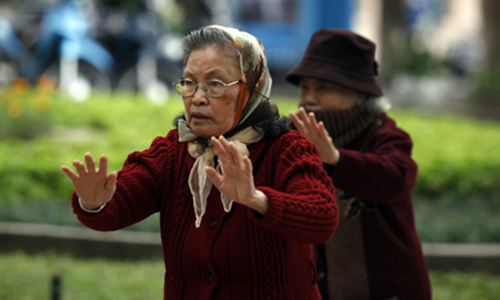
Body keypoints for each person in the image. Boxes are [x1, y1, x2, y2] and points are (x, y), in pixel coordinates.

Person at [61, 25, 338, 299]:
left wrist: (257, 199)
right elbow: (121, 203)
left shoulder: (288, 149)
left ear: (253, 88)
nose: (197, 97)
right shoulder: (175, 150)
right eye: (189, 82)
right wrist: (94, 202)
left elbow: (322, 218)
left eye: (215, 84)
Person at [286, 28, 431, 300]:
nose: (309, 98)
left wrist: (335, 159)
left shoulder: (385, 136)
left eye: (323, 87)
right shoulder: (297, 140)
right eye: (305, 87)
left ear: (358, 92)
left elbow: (397, 176)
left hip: (389, 290)